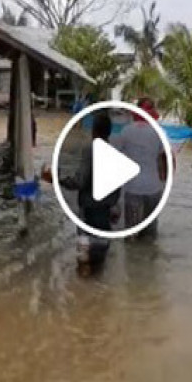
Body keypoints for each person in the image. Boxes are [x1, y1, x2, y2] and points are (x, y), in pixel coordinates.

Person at [51, 112, 121, 276]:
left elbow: (80, 181)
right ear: (109, 132)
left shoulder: (90, 149)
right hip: (106, 211)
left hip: (90, 209)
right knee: (100, 258)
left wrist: (58, 179)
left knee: (84, 258)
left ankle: (82, 286)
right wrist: (114, 206)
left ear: (94, 130)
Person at [115, 98, 167, 239]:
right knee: (150, 233)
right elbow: (163, 161)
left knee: (130, 233)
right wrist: (163, 183)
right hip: (153, 188)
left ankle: (131, 253)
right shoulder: (158, 132)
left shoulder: (126, 131)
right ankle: (148, 252)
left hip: (133, 187)